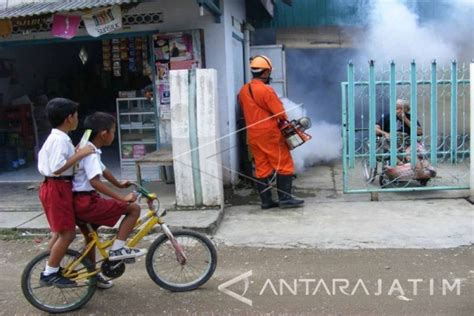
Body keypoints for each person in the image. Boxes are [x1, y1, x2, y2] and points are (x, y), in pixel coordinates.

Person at [73, 112, 147, 274]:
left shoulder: (88, 147)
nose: (114, 135)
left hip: (78, 201)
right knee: (134, 209)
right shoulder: (91, 154)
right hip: (86, 202)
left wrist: (119, 184)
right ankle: (117, 249)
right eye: (113, 131)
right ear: (104, 134)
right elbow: (95, 181)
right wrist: (123, 197)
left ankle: (92, 275)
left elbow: (103, 170)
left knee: (91, 240)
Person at [38, 98, 95, 288]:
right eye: (76, 115)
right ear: (69, 118)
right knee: (67, 234)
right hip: (57, 187)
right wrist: (80, 154)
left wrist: (76, 152)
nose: (77, 119)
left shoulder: (60, 138)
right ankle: (50, 272)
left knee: (59, 231)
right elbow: (56, 168)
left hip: (56, 187)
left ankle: (50, 265)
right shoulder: (59, 140)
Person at [238, 55, 304, 209]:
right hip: (270, 134)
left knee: (262, 167)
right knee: (284, 163)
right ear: (266, 73)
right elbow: (280, 113)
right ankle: (285, 199)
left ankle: (266, 201)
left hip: (252, 134)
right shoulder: (266, 90)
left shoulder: (243, 90)